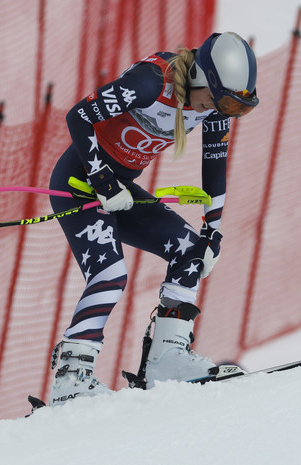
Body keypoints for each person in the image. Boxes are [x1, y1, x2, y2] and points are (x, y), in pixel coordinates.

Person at [47, 32, 259, 405]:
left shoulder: (212, 106)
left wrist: (213, 230)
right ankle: (72, 378)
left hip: (120, 191)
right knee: (110, 274)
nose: (219, 110)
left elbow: (214, 165)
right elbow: (79, 116)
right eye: (218, 100)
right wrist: (101, 179)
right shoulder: (150, 83)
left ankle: (167, 359)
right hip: (79, 184)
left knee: (191, 250)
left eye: (232, 107)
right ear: (200, 76)